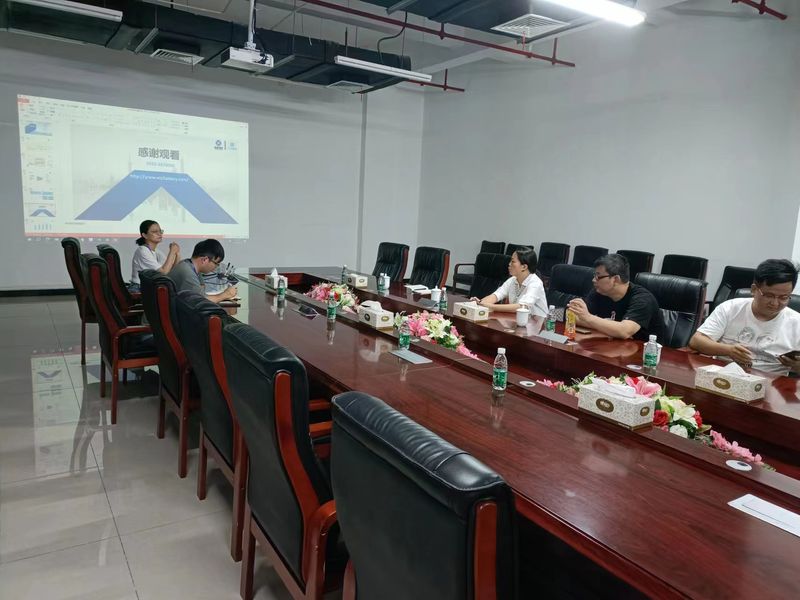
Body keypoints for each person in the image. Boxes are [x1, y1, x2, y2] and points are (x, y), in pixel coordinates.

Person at [690, 259, 800, 374]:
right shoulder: (730, 308)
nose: (775, 303)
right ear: (754, 290)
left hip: (772, 381)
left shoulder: (797, 322)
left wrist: (797, 366)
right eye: (769, 295)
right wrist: (728, 350)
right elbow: (696, 341)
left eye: (783, 297)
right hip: (725, 375)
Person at [567, 254, 662, 341]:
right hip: (612, 345)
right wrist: (607, 326)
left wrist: (589, 318)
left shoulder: (642, 299)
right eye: (594, 275)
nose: (593, 280)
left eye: (598, 276)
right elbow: (573, 317)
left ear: (615, 279)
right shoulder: (600, 291)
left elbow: (624, 331)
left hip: (646, 351)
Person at [471, 247, 548, 318]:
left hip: (538, 323)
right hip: (518, 319)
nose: (509, 264)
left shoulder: (535, 283)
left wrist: (492, 307)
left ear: (524, 267)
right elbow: (496, 295)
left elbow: (522, 307)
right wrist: (480, 303)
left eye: (513, 261)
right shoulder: (512, 280)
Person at [168, 239, 237, 303]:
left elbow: (201, 292)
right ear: (204, 260)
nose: (216, 267)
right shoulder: (187, 272)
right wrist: (226, 294)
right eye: (216, 263)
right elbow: (202, 301)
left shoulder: (188, 265)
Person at [130, 220, 180, 290]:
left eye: (160, 231)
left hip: (149, 288)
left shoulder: (157, 252)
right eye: (154, 232)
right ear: (144, 235)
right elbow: (163, 272)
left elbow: (170, 272)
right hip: (139, 288)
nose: (159, 234)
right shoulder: (142, 250)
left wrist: (177, 254)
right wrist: (172, 252)